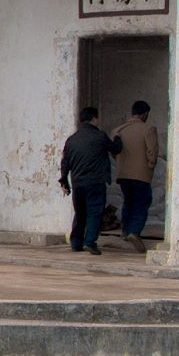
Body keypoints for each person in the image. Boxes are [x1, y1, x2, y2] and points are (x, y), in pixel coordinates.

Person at [59, 106, 114, 254]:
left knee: (80, 213)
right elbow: (115, 149)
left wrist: (64, 181)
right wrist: (118, 139)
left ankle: (76, 243)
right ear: (94, 118)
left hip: (77, 183)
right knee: (95, 212)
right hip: (95, 182)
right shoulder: (100, 136)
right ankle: (90, 242)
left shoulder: (71, 140)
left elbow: (65, 163)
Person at [112, 98, 160, 245]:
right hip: (141, 175)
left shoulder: (118, 130)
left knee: (128, 202)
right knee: (141, 203)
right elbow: (152, 151)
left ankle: (125, 231)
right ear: (145, 114)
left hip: (123, 174)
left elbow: (114, 151)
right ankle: (134, 232)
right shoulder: (148, 129)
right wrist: (150, 166)